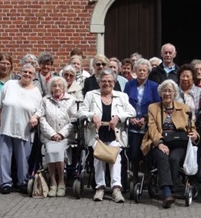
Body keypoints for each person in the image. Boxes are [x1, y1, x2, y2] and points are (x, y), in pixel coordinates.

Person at [78, 70, 135, 203]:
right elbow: (81, 112)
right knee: (99, 156)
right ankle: (100, 187)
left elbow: (132, 111)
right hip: (96, 134)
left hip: (115, 135)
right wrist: (92, 115)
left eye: (110, 81)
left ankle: (116, 188)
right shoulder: (91, 95)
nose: (107, 83)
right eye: (104, 81)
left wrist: (118, 117)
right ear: (99, 82)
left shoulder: (122, 96)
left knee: (115, 157)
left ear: (114, 83)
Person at [141, 80, 198, 208]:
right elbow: (152, 128)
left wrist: (194, 135)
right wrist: (160, 143)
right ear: (160, 93)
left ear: (174, 93)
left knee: (174, 158)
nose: (167, 93)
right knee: (162, 157)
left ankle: (171, 190)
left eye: (170, 91)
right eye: (164, 91)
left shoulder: (184, 108)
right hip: (158, 141)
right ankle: (167, 192)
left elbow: (191, 126)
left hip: (179, 142)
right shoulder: (153, 108)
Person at [0, 62, 41, 194]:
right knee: (4, 156)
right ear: (20, 72)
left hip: (24, 129)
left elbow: (40, 110)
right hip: (6, 126)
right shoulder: (10, 84)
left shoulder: (36, 92)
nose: (27, 74)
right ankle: (5, 183)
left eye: (30, 73)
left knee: (23, 158)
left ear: (34, 76)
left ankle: (23, 182)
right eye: (25, 71)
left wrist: (35, 117)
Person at [38, 77, 76, 197]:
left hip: (65, 136)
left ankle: (61, 182)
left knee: (58, 150)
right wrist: (52, 134)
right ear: (51, 88)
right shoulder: (45, 100)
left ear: (64, 87)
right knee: (50, 150)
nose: (57, 88)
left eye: (60, 85)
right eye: (54, 86)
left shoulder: (71, 100)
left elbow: (74, 120)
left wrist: (61, 134)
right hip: (49, 136)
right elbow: (42, 119)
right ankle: (53, 183)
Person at [124, 59, 160, 178]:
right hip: (132, 124)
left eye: (144, 70)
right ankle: (134, 177)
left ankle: (147, 178)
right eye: (139, 70)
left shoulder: (154, 86)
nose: (142, 73)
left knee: (146, 154)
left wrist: (145, 118)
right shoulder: (129, 85)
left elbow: (156, 106)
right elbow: (124, 103)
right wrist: (131, 117)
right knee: (133, 154)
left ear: (148, 72)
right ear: (135, 72)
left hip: (147, 124)